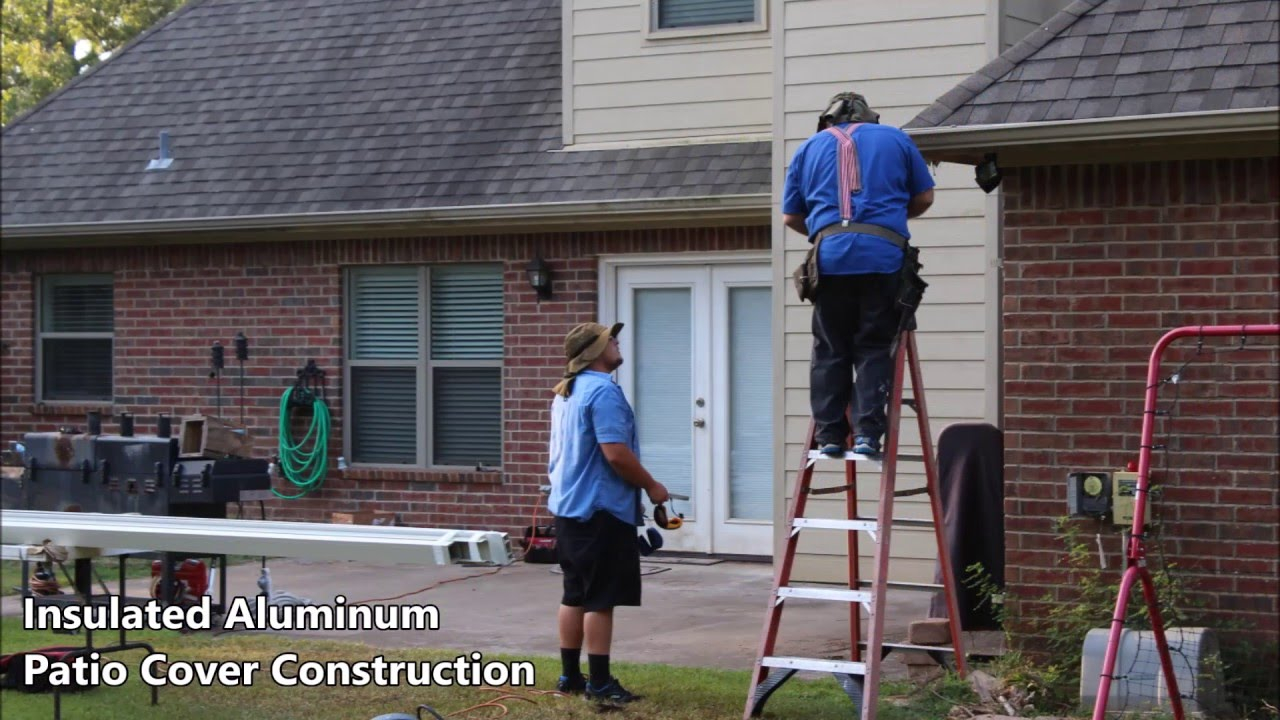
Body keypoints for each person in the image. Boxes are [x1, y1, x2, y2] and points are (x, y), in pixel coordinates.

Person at [783, 91, 935, 458]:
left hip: (831, 259)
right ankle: (867, 434)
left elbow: (791, 217)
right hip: (883, 257)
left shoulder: (808, 148)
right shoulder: (897, 138)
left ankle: (831, 435)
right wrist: (885, 222)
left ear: (828, 120)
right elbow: (924, 198)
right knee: (873, 346)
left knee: (831, 348)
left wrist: (831, 231)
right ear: (871, 117)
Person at [546, 321, 669, 705]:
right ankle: (599, 683)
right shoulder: (603, 392)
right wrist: (652, 487)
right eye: (611, 340)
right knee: (601, 599)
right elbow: (615, 453)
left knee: (575, 594)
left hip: (567, 509)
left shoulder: (565, 392)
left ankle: (570, 677)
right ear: (596, 351)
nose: (617, 343)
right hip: (600, 511)